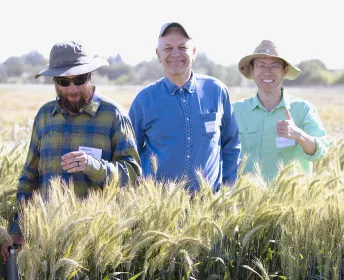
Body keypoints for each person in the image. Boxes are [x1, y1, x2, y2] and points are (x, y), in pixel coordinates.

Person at [1, 40, 142, 261]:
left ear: (91, 75)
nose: (73, 89)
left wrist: (93, 166)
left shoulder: (113, 114)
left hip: (98, 242)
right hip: (47, 239)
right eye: (63, 82)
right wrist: (18, 226)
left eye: (79, 79)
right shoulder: (44, 116)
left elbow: (133, 175)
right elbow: (29, 178)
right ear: (54, 82)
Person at [129, 22, 241, 193]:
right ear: (158, 55)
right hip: (159, 211)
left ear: (194, 52)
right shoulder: (144, 100)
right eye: (168, 48)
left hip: (209, 210)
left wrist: (228, 189)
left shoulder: (217, 91)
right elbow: (130, 154)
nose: (175, 53)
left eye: (182, 47)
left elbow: (231, 145)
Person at [232, 40, 328, 181]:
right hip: (247, 199)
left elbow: (320, 152)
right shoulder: (236, 111)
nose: (267, 72)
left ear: (285, 71)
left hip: (291, 199)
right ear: (252, 70)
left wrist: (298, 134)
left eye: (274, 66)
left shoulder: (304, 109)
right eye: (261, 66)